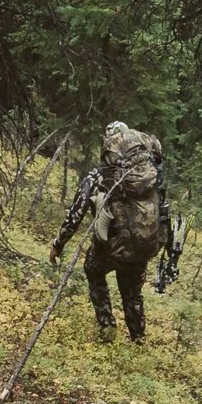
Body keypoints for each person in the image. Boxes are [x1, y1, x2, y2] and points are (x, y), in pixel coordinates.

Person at [52, 120, 168, 341]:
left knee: (93, 270)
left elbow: (76, 213)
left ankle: (107, 325)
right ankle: (138, 337)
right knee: (132, 292)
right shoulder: (152, 174)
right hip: (144, 243)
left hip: (113, 246)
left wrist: (58, 244)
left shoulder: (100, 174)